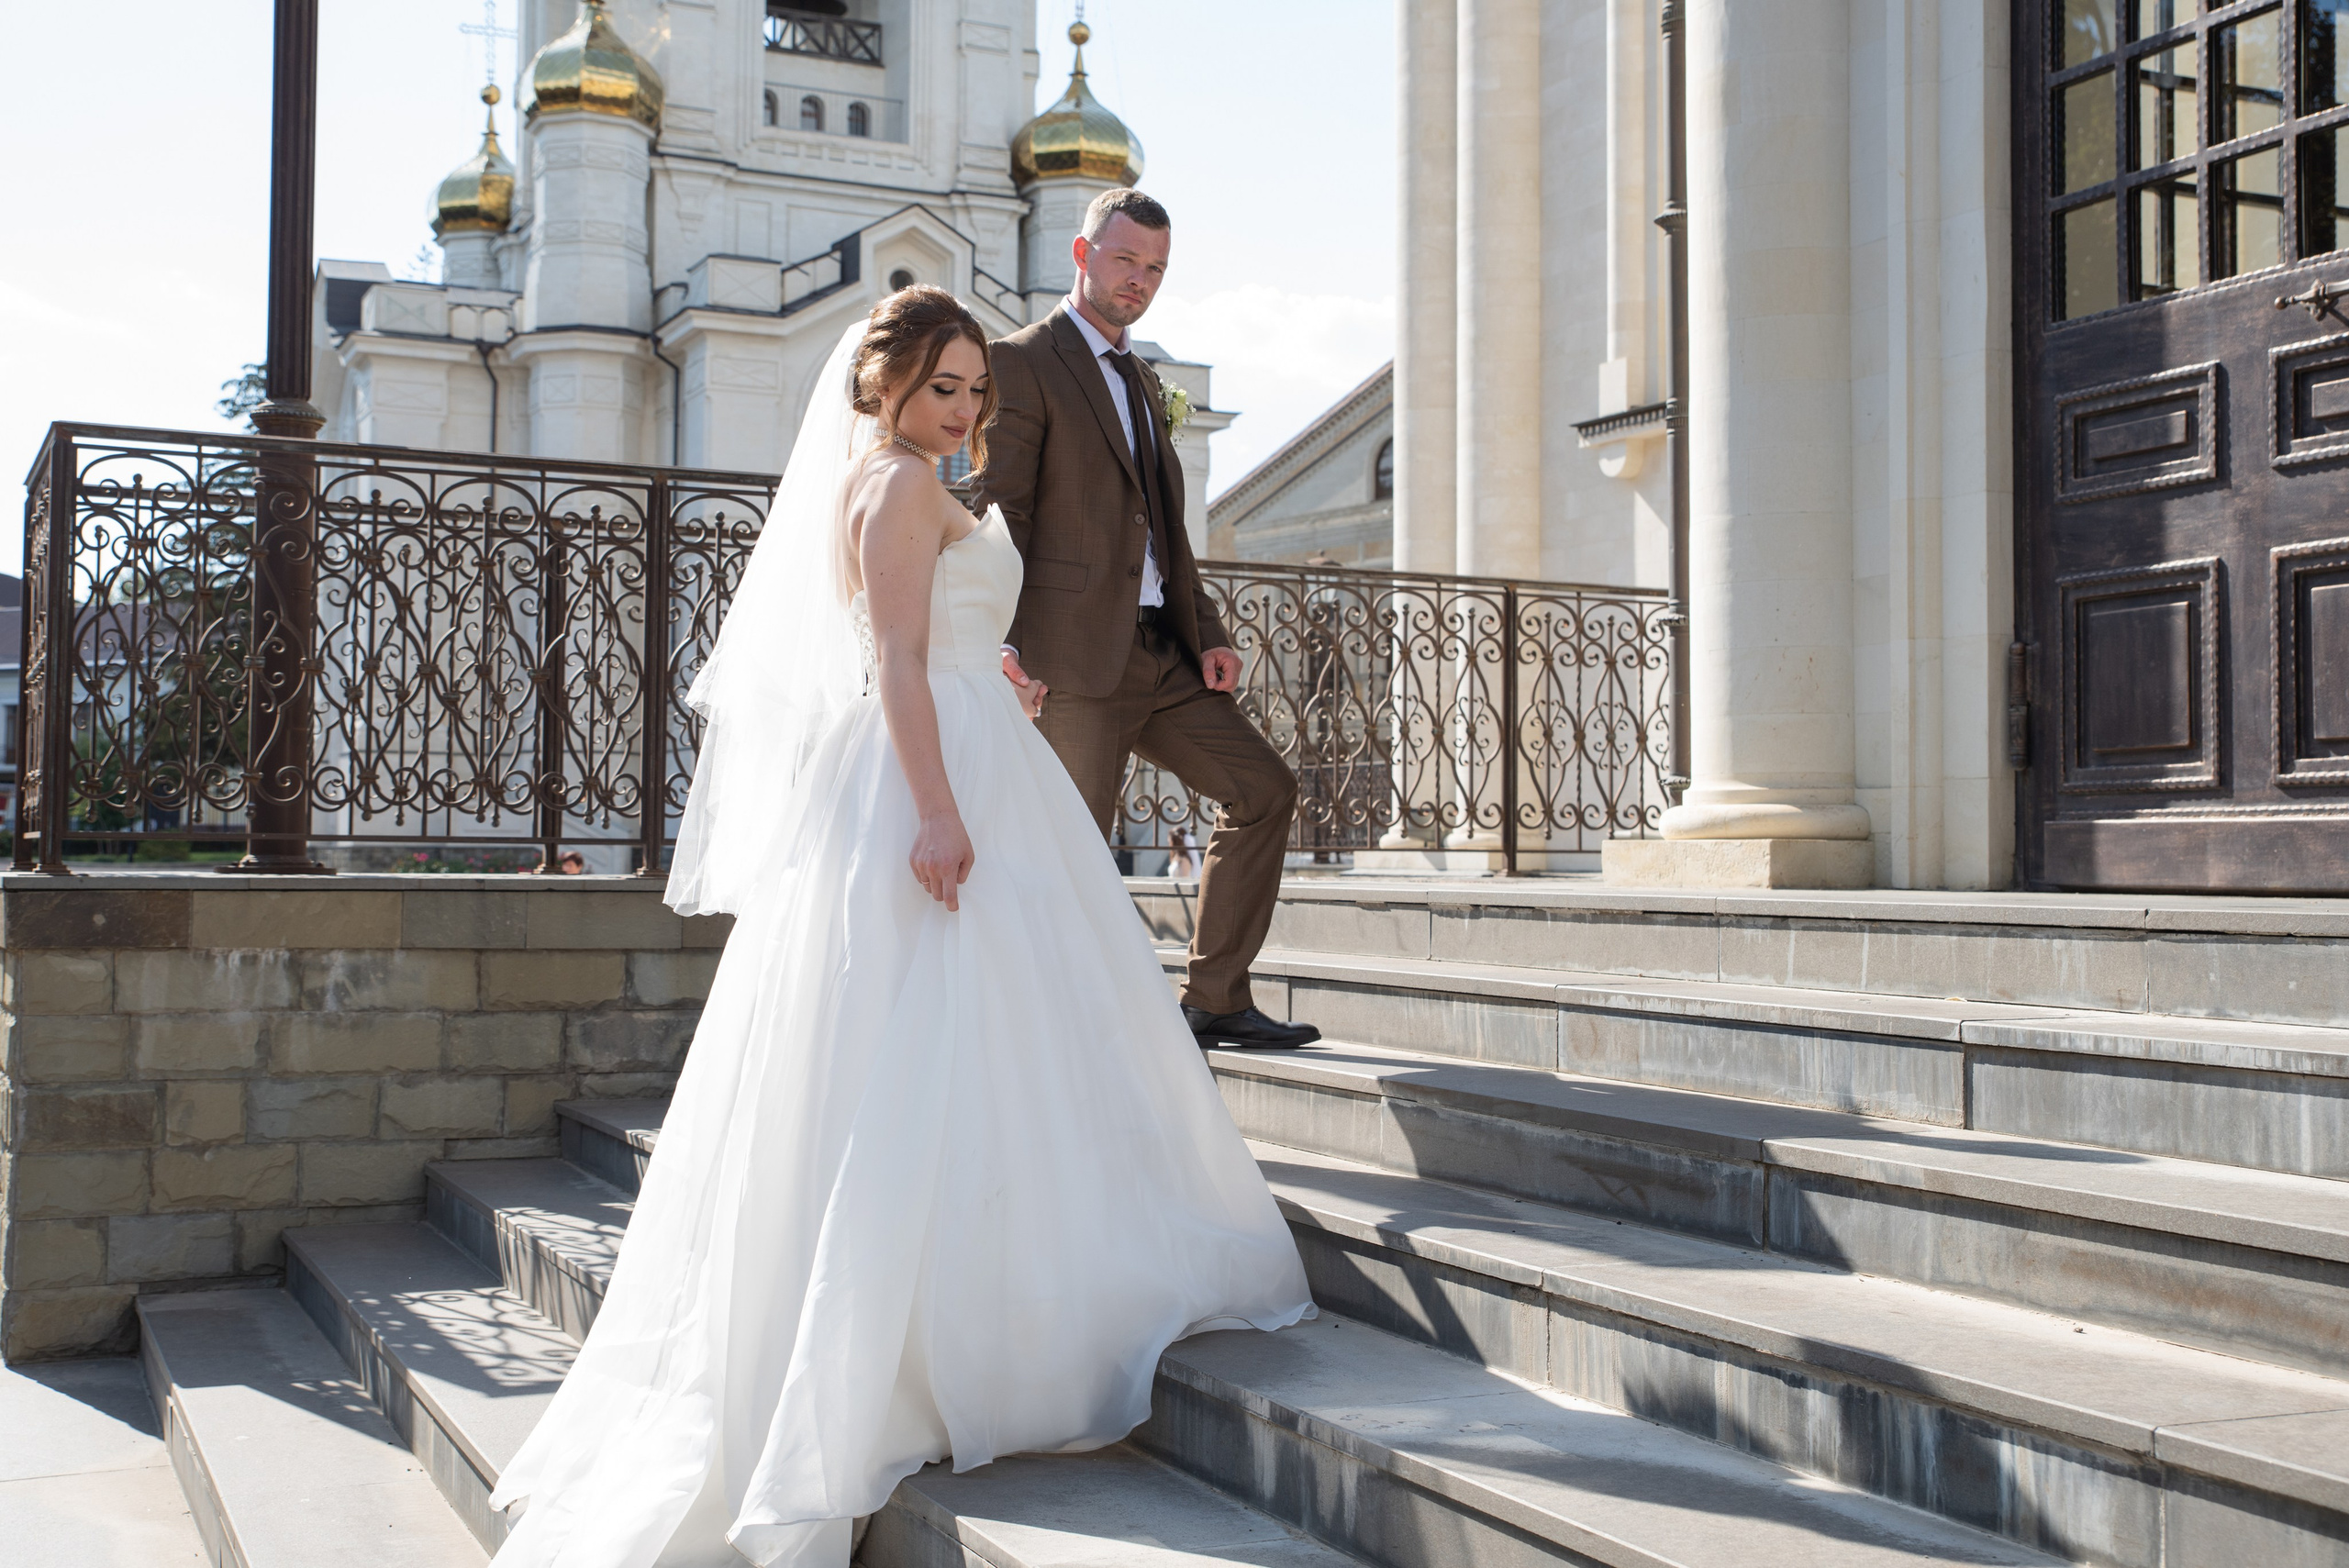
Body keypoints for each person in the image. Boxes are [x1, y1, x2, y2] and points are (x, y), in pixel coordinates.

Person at [481, 288, 1313, 1568]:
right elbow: (896, 663)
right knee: (928, 1035)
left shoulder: (903, 481)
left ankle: (995, 1286)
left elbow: (936, 641)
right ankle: (931, 1331)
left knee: (997, 1031)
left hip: (978, 741)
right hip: (933, 776)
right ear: (884, 387)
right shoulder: (895, 486)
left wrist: (1001, 674)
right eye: (942, 387)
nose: (964, 409)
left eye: (976, 388)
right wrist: (934, 810)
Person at [977, 189, 1320, 1051]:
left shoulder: (1144, 380)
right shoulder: (1021, 361)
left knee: (1264, 790)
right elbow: (1000, 510)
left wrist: (1208, 629)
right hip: (1067, 659)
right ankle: (1048, 1036)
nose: (1140, 280)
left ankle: (1215, 997)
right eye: (1126, 260)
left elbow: (1166, 527)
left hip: (1162, 654)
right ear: (1082, 255)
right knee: (1070, 849)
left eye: (1156, 269)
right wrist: (1000, 641)